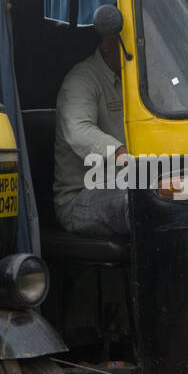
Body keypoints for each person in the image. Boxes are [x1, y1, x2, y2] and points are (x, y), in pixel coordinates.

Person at [53, 32, 131, 238]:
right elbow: (78, 131)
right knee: (143, 202)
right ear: (107, 42)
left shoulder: (138, 80)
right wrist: (123, 155)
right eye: (130, 43)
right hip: (80, 198)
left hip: (132, 182)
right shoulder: (82, 79)